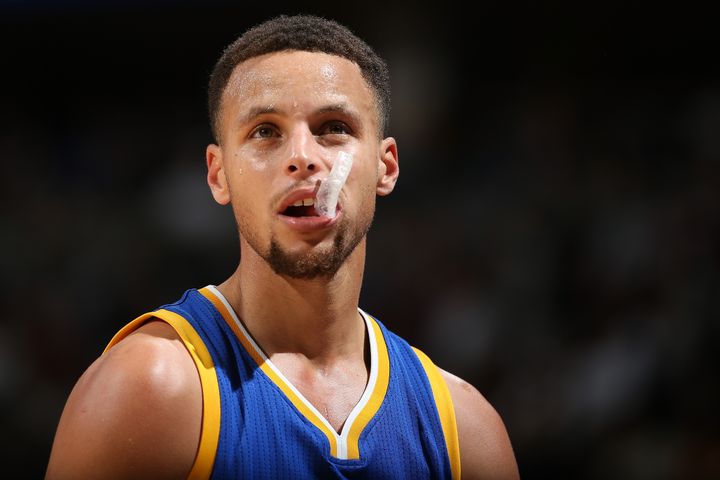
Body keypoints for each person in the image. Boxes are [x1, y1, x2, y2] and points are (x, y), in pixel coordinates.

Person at [46, 14, 520, 479]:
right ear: (218, 174)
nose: (302, 158)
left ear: (386, 166)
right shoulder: (149, 388)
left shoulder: (464, 428)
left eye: (333, 126)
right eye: (265, 132)